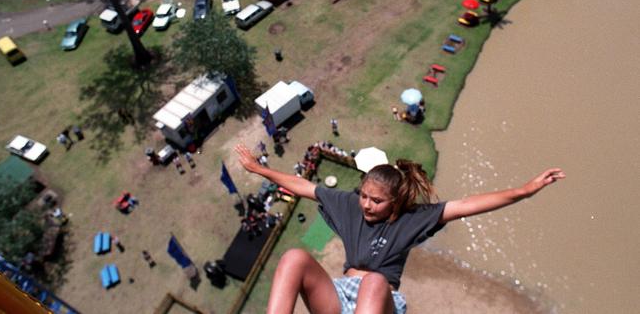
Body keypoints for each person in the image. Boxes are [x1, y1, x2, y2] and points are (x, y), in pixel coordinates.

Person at [235, 144, 565, 314]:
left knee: (375, 281)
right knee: (294, 257)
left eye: (376, 201)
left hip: (379, 303)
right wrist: (258, 168)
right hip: (338, 298)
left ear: (394, 203)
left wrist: (524, 190)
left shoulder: (412, 220)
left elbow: (468, 205)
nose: (365, 204)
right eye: (364, 195)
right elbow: (301, 184)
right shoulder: (349, 205)